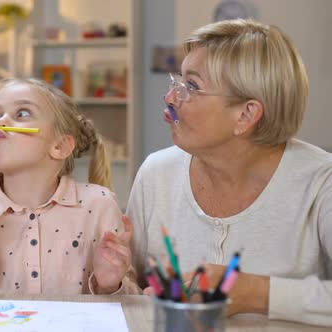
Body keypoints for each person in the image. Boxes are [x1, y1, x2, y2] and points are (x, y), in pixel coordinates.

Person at [127, 19, 332, 326]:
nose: (170, 98)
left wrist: (253, 293)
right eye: (177, 81)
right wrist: (117, 278)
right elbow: (139, 288)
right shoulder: (156, 173)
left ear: (246, 114)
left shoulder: (321, 181)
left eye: (192, 87)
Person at [0, 78, 139, 295]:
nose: (0, 121)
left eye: (22, 114)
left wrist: (109, 285)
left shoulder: (100, 204)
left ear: (59, 146)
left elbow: (131, 307)